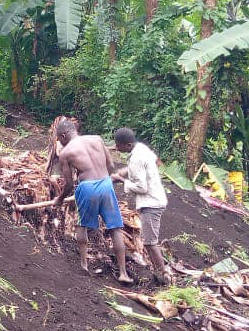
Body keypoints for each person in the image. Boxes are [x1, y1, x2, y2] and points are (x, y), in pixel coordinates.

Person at [52, 119, 131, 282]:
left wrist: (59, 199)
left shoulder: (66, 153)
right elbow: (110, 165)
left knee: (82, 225)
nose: (60, 142)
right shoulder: (97, 139)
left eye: (59, 139)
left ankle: (84, 265)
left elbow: (68, 184)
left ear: (63, 135)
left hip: (87, 188)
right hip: (106, 184)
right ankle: (123, 273)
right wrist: (104, 180)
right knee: (115, 228)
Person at [113, 128, 173, 283]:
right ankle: (161, 273)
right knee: (149, 241)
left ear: (128, 145)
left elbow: (142, 188)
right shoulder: (141, 149)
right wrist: (125, 171)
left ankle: (164, 276)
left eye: (118, 145)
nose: (116, 148)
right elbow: (152, 160)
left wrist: (121, 180)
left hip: (150, 203)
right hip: (156, 199)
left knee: (149, 242)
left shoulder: (136, 159)